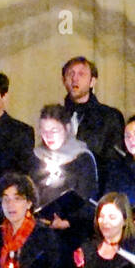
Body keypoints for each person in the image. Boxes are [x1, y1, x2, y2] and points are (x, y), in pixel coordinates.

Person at [32, 103, 99, 246]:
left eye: (54, 130)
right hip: (39, 230)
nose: (48, 136)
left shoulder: (82, 158)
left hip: (73, 233)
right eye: (44, 131)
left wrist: (69, 221)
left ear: (67, 128)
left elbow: (89, 200)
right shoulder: (36, 157)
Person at [61, 56, 125, 189]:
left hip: (96, 189)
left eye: (81, 74)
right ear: (63, 80)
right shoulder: (56, 116)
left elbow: (114, 163)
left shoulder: (110, 117)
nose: (75, 78)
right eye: (70, 74)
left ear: (92, 81)